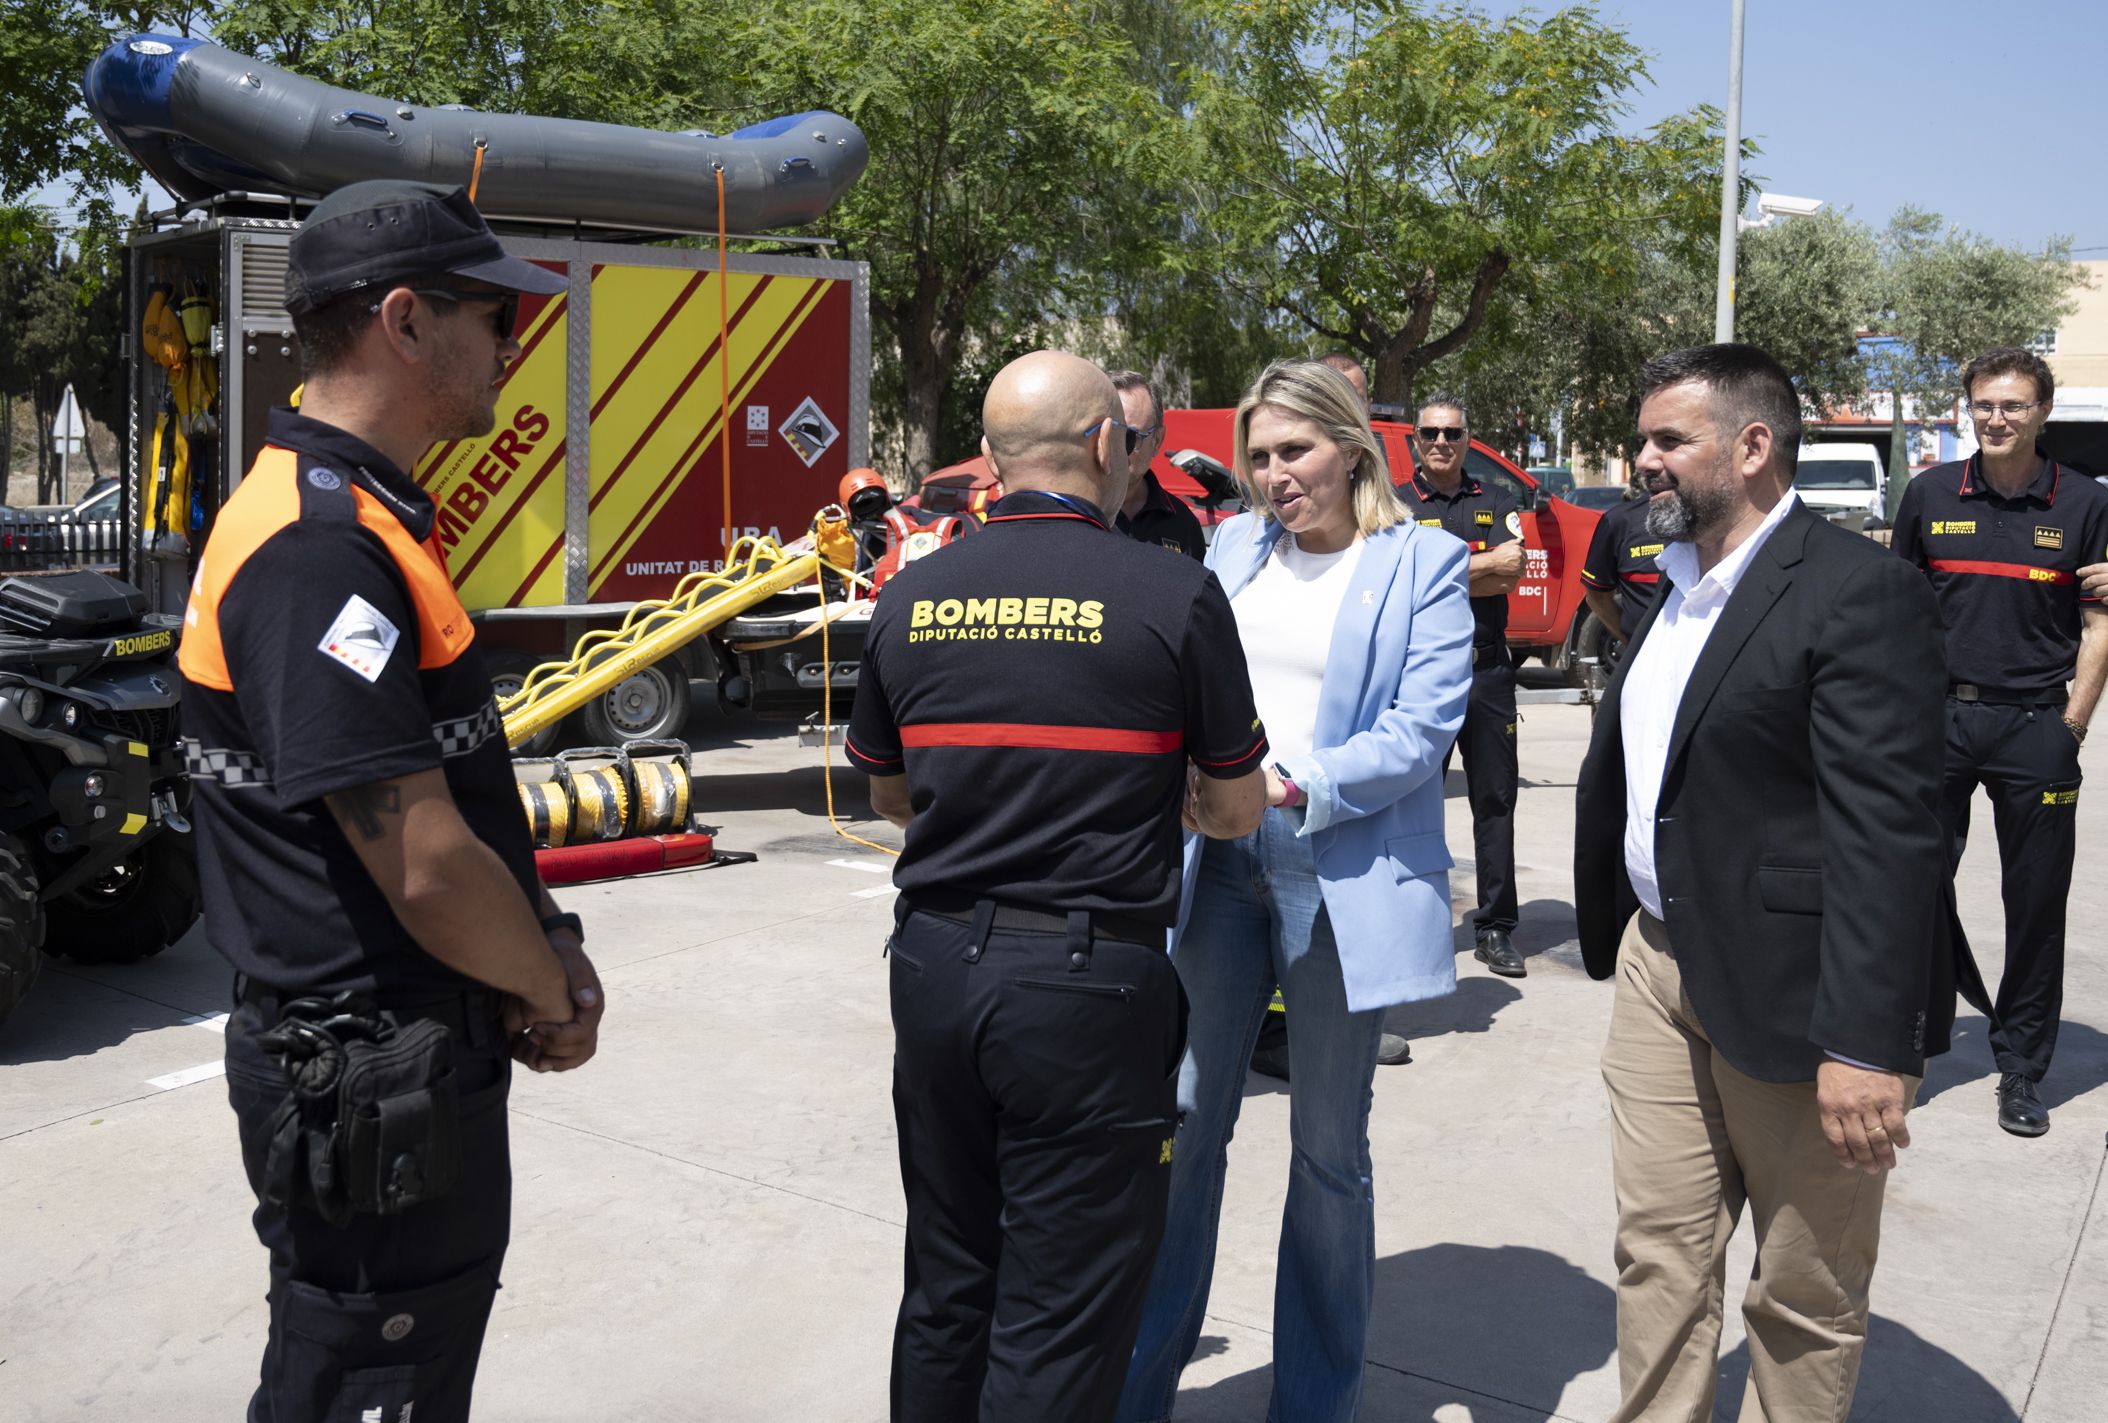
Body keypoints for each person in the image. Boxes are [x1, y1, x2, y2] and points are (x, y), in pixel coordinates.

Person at [177, 180, 602, 1422]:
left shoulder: (353, 516)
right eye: (492, 317)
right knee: (369, 1379)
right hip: (371, 1073)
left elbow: (450, 789)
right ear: (407, 323)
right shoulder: (319, 547)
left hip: (394, 1065)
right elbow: (416, 855)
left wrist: (546, 938)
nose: (511, 348)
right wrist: (542, 983)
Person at [845, 350, 1269, 1422]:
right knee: (1060, 1308)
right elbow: (1234, 807)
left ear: (988, 460)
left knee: (947, 1278)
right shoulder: (1173, 591)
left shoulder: (911, 592)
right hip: (1086, 984)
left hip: (936, 965)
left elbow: (890, 794)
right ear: (1105, 444)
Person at [1574, 343, 1953, 1422]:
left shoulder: (1857, 593)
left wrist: (1866, 1043)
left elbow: (1888, 836)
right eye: (1639, 438)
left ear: (1750, 447)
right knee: (1657, 1260)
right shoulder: (1672, 583)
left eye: (1665, 440)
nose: (1641, 460)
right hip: (1659, 961)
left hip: (1799, 991)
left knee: (1800, 1290)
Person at [1118, 360, 1473, 1423]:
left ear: (1351, 446)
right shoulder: (1229, 547)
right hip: (1214, 869)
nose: (1274, 476)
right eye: (1258, 457)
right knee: (1182, 1119)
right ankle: (1138, 1380)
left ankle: (1312, 1399)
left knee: (1326, 1146)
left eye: (1294, 451)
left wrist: (1288, 782)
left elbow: (1417, 732)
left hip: (1332, 869)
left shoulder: (1424, 562)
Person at [1890, 346, 2108, 1136]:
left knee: (2036, 906)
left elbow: (2100, 622)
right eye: (1984, 404)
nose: (1997, 418)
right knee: (1907, 888)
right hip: (1935, 724)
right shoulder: (1928, 494)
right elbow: (1896, 614)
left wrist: (2072, 723)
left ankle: (2021, 1069)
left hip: (2035, 727)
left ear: (2042, 412)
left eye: (2014, 405)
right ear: (1968, 409)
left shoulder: (2083, 503)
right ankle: (1902, 1047)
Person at [1399, 393, 1528, 976]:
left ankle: (1496, 927)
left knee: (1494, 801)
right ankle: (1412, 926)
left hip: (1486, 671)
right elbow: (1400, 582)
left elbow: (1512, 573)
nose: (1442, 443)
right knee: (1409, 802)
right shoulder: (1396, 505)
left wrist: (1431, 571)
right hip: (1419, 673)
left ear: (1468, 439)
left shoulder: (1497, 500)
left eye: (1452, 433)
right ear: (1415, 440)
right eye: (1431, 433)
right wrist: (1479, 563)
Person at [1109, 370, 1206, 560]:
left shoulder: (1182, 523)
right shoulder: (1072, 514)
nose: (1117, 448)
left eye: (1131, 437)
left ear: (1157, 441)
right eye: (1110, 433)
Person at [1578, 484, 1662, 644]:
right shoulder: (1620, 521)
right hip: (1643, 658)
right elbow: (1596, 596)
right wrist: (1632, 642)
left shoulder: (1715, 524)